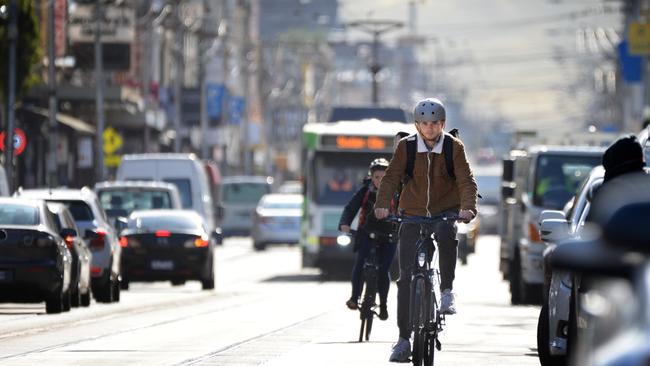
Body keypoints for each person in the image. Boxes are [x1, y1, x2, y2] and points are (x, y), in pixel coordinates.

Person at [374, 98, 478, 363]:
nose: (430, 129)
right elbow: (391, 178)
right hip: (412, 213)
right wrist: (382, 205)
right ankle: (403, 340)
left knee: (447, 235)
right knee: (406, 277)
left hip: (445, 211)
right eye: (425, 124)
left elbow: (466, 179)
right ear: (417, 124)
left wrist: (467, 208)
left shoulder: (453, 147)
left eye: (435, 124)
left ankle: (446, 292)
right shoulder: (406, 147)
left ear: (442, 124)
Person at [338, 158, 397, 321]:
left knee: (384, 270)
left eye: (383, 177)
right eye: (376, 177)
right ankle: (354, 298)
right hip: (367, 233)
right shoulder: (365, 191)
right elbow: (350, 208)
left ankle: (383, 305)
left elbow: (405, 210)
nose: (380, 181)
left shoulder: (396, 192)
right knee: (360, 263)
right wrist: (344, 223)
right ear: (371, 177)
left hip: (389, 235)